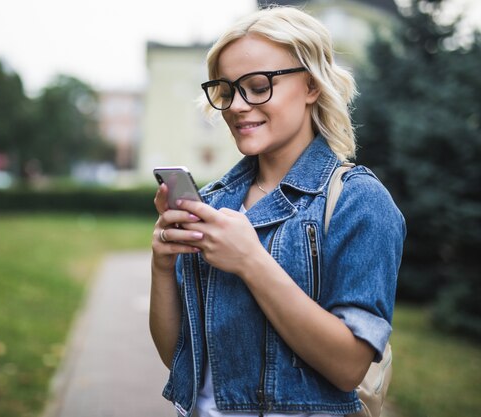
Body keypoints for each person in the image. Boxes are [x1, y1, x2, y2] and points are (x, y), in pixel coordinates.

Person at [150, 6, 405, 417]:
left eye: (257, 85)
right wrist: (162, 265)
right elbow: (180, 360)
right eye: (228, 91)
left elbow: (349, 367)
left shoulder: (360, 202)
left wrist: (251, 261)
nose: (236, 106)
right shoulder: (214, 204)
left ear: (312, 85)